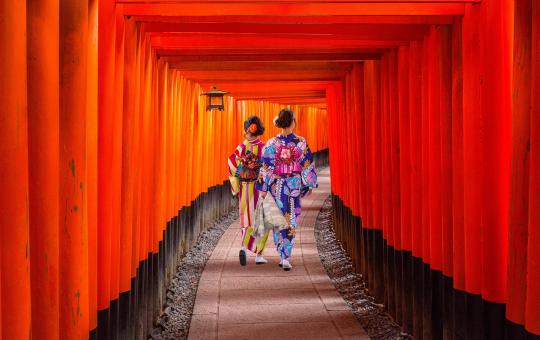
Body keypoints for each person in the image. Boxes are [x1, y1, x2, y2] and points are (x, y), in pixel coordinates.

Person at [259, 108, 318, 271]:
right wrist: (309, 183)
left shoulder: (271, 143)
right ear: (293, 122)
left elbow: (266, 166)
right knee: (291, 218)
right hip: (293, 185)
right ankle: (286, 256)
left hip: (277, 185)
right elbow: (307, 164)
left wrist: (264, 187)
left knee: (278, 219)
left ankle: (281, 253)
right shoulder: (300, 142)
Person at [228, 116, 269, 266]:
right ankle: (259, 255)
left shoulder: (241, 148)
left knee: (246, 219)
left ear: (247, 130)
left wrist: (236, 185)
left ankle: (244, 247)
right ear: (259, 130)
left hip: (245, 188)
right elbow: (267, 168)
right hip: (259, 187)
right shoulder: (264, 148)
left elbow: (231, 163)